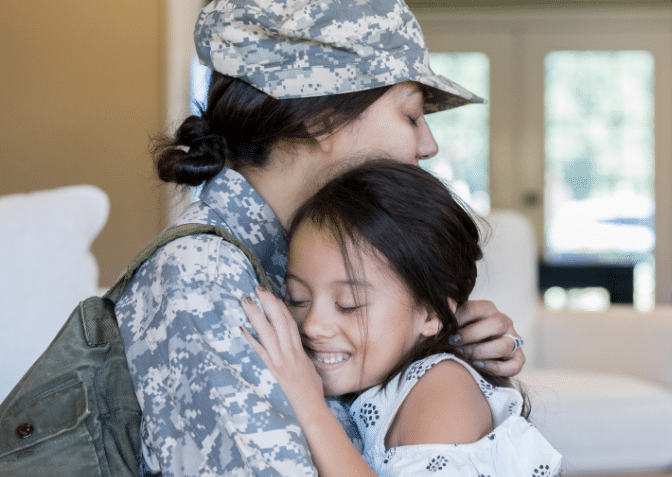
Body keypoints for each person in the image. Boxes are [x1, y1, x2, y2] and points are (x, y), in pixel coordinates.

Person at [116, 0, 526, 475]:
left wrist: (442, 353)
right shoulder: (206, 274)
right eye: (411, 115)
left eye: (348, 303)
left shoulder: (289, 255)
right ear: (322, 117)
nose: (428, 145)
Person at [240, 160, 561, 477]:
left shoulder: (443, 386)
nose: (312, 325)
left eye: (348, 304)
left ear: (432, 311)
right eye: (298, 298)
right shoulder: (382, 378)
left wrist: (306, 402)